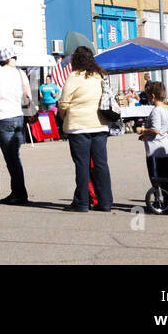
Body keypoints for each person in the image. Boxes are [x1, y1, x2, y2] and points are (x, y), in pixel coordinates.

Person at [57, 46, 114, 212]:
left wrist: (63, 117)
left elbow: (64, 103)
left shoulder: (74, 76)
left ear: (76, 60)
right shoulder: (100, 75)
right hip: (100, 124)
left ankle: (82, 202)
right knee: (101, 165)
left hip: (78, 126)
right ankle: (105, 202)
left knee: (82, 165)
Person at [0, 47, 31, 205]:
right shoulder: (20, 73)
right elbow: (27, 95)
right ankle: (18, 191)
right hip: (18, 116)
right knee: (15, 156)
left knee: (12, 158)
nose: (16, 60)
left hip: (4, 116)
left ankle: (19, 193)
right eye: (14, 57)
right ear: (10, 59)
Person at [138, 80, 168, 208]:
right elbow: (165, 130)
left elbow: (155, 130)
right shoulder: (165, 109)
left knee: (156, 177)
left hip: (155, 150)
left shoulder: (155, 111)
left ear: (153, 96)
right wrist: (146, 135)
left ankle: (160, 200)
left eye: (148, 96)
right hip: (165, 147)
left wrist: (143, 130)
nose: (148, 99)